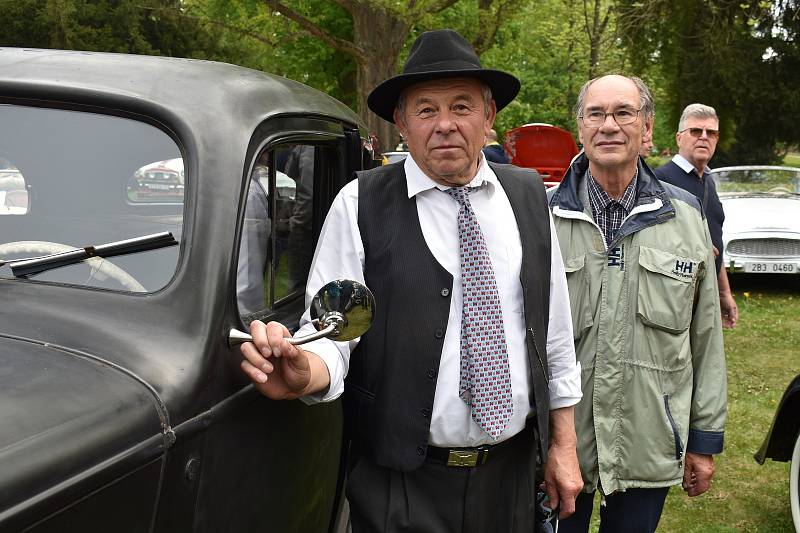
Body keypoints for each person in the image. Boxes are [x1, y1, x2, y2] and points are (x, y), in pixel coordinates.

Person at [239, 28, 583, 532]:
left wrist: (563, 447)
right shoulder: (360, 204)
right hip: (400, 484)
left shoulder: (530, 198)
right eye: (425, 110)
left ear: (489, 118)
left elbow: (554, 337)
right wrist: (303, 371)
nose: (445, 125)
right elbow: (333, 334)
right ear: (401, 122)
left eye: (462, 107)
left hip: (509, 478)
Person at [547, 75, 727, 533]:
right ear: (581, 129)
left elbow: (705, 337)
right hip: (558, 443)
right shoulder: (541, 216)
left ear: (646, 130)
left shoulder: (686, 217)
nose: (609, 125)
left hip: (649, 436)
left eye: (623, 113)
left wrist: (704, 440)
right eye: (596, 114)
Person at [655, 103, 738, 328]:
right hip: (670, 299)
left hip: (706, 295)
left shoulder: (708, 180)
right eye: (695, 131)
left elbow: (713, 240)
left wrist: (724, 292)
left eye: (711, 133)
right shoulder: (659, 182)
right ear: (679, 138)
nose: (704, 137)